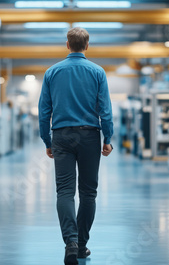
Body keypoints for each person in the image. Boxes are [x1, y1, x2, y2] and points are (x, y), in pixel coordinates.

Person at [38, 27, 113, 265]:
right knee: (88, 192)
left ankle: (70, 242)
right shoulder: (98, 72)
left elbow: (44, 111)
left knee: (65, 191)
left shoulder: (52, 72)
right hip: (90, 136)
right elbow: (106, 110)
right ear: (87, 46)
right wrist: (108, 138)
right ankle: (81, 245)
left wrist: (46, 140)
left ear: (67, 45)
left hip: (61, 136)